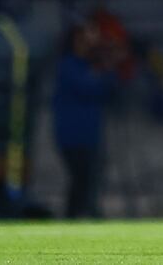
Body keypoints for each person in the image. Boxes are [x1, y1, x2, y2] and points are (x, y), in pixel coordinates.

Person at [51, 22, 118, 218]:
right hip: (72, 135)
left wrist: (106, 67)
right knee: (82, 178)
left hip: (90, 134)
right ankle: (85, 215)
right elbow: (89, 88)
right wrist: (102, 70)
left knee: (86, 180)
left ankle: (79, 216)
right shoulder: (68, 66)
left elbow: (110, 91)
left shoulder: (89, 67)